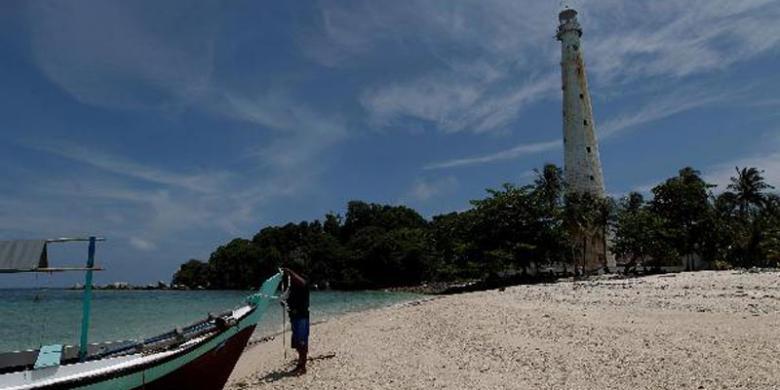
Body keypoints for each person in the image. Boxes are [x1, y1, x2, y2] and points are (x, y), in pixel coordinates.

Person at [281, 267, 310, 375]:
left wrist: (290, 272)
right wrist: (284, 302)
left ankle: (303, 367)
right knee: (297, 343)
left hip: (302, 317)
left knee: (302, 342)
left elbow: (302, 282)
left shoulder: (303, 284)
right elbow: (286, 302)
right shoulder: (291, 289)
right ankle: (300, 364)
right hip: (294, 318)